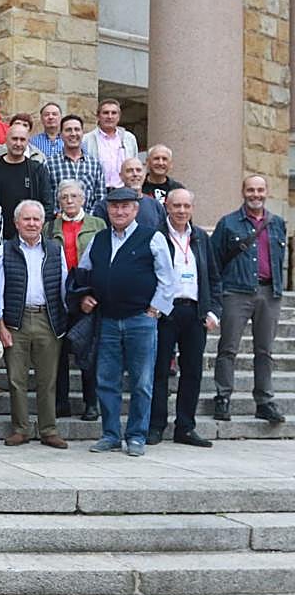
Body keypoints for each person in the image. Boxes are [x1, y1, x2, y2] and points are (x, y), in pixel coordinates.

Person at [79, 188, 176, 456]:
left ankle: (136, 436)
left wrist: (155, 310)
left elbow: (168, 278)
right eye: (114, 207)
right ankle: (110, 434)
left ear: (135, 210)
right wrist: (85, 295)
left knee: (142, 382)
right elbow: (84, 273)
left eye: (125, 207)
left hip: (140, 321)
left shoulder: (152, 238)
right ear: (107, 210)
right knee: (106, 380)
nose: (119, 212)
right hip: (108, 321)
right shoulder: (98, 240)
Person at [0, 199, 70, 449]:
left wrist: (65, 319)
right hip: (16, 321)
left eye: (36, 219)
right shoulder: (3, 250)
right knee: (16, 379)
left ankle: (49, 429)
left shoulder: (55, 249)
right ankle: (20, 429)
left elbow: (64, 286)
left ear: (43, 223)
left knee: (48, 379)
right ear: (16, 222)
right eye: (27, 219)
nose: (32, 224)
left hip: (48, 320)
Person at [211, 175, 287, 425]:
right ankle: (223, 397)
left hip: (269, 293)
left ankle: (264, 401)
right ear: (243, 192)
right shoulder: (228, 223)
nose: (256, 194)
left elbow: (278, 257)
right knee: (228, 348)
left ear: (266, 192)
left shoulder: (277, 223)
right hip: (236, 291)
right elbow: (214, 259)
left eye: (260, 190)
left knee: (265, 350)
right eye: (251, 190)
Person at [149, 188, 221, 448]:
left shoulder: (201, 237)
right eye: (176, 206)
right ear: (166, 206)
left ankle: (185, 427)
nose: (181, 211)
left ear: (192, 208)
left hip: (195, 313)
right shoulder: (156, 235)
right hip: (165, 312)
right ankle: (156, 425)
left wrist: (214, 311)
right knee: (159, 371)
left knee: (192, 371)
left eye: (186, 206)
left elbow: (213, 278)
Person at [49, 179, 105, 421]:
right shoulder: (50, 227)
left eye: (74, 196)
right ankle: (61, 402)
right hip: (58, 295)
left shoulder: (97, 224)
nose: (69, 201)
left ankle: (90, 402)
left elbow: (105, 261)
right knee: (58, 352)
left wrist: (93, 294)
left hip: (86, 294)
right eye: (64, 197)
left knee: (88, 350)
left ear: (83, 199)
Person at [0, 123, 54, 239]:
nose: (18, 144)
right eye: (14, 139)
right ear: (6, 140)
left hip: (30, 237)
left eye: (22, 140)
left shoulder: (36, 170)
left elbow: (47, 204)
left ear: (28, 142)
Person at [45, 114, 105, 212]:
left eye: (77, 129)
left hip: (89, 223)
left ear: (82, 133)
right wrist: (56, 215)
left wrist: (90, 217)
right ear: (60, 135)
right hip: (59, 223)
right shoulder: (50, 164)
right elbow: (46, 197)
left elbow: (100, 197)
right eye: (68, 130)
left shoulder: (94, 165)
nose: (73, 134)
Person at [81, 98, 138, 190]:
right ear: (98, 116)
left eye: (114, 113)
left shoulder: (129, 139)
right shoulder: (86, 140)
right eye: (106, 113)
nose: (110, 116)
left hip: (124, 191)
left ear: (119, 116)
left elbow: (135, 165)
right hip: (98, 191)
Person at [92, 158, 163, 230]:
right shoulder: (107, 204)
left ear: (144, 174)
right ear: (121, 176)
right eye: (129, 171)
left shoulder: (155, 205)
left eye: (138, 170)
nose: (135, 174)